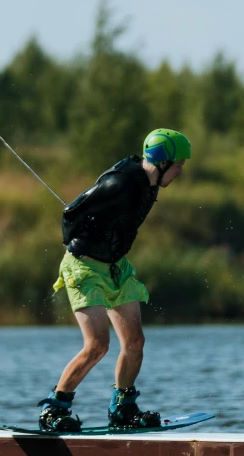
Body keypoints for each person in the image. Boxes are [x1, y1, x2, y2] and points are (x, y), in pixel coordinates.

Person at [38, 128, 191, 432]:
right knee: (97, 345)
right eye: (178, 165)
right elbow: (71, 214)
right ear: (162, 163)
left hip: (117, 268)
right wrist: (79, 242)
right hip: (85, 268)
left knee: (135, 342)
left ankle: (123, 408)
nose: (179, 172)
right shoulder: (118, 183)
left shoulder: (151, 184)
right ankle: (54, 409)